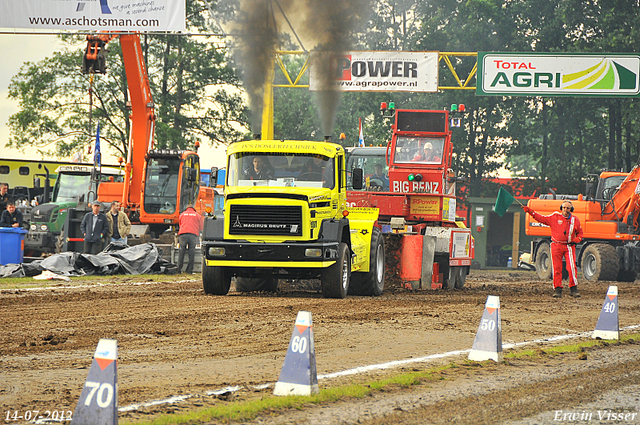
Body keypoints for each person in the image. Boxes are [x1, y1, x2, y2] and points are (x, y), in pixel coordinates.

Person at [523, 200, 583, 298]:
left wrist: (577, 239)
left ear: (571, 209)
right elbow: (541, 218)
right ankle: (557, 289)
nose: (565, 210)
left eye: (568, 208)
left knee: (571, 267)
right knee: (557, 268)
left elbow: (580, 232)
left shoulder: (575, 220)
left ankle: (573, 289)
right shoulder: (554, 217)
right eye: (564, 208)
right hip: (556, 245)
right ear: (561, 208)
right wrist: (531, 212)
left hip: (569, 246)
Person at [177, 204, 204, 274]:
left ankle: (178, 269)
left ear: (186, 208)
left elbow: (180, 225)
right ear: (193, 209)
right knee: (191, 252)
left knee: (181, 251)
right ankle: (189, 270)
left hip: (183, 235)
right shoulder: (197, 215)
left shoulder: (182, 215)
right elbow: (201, 227)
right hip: (193, 235)